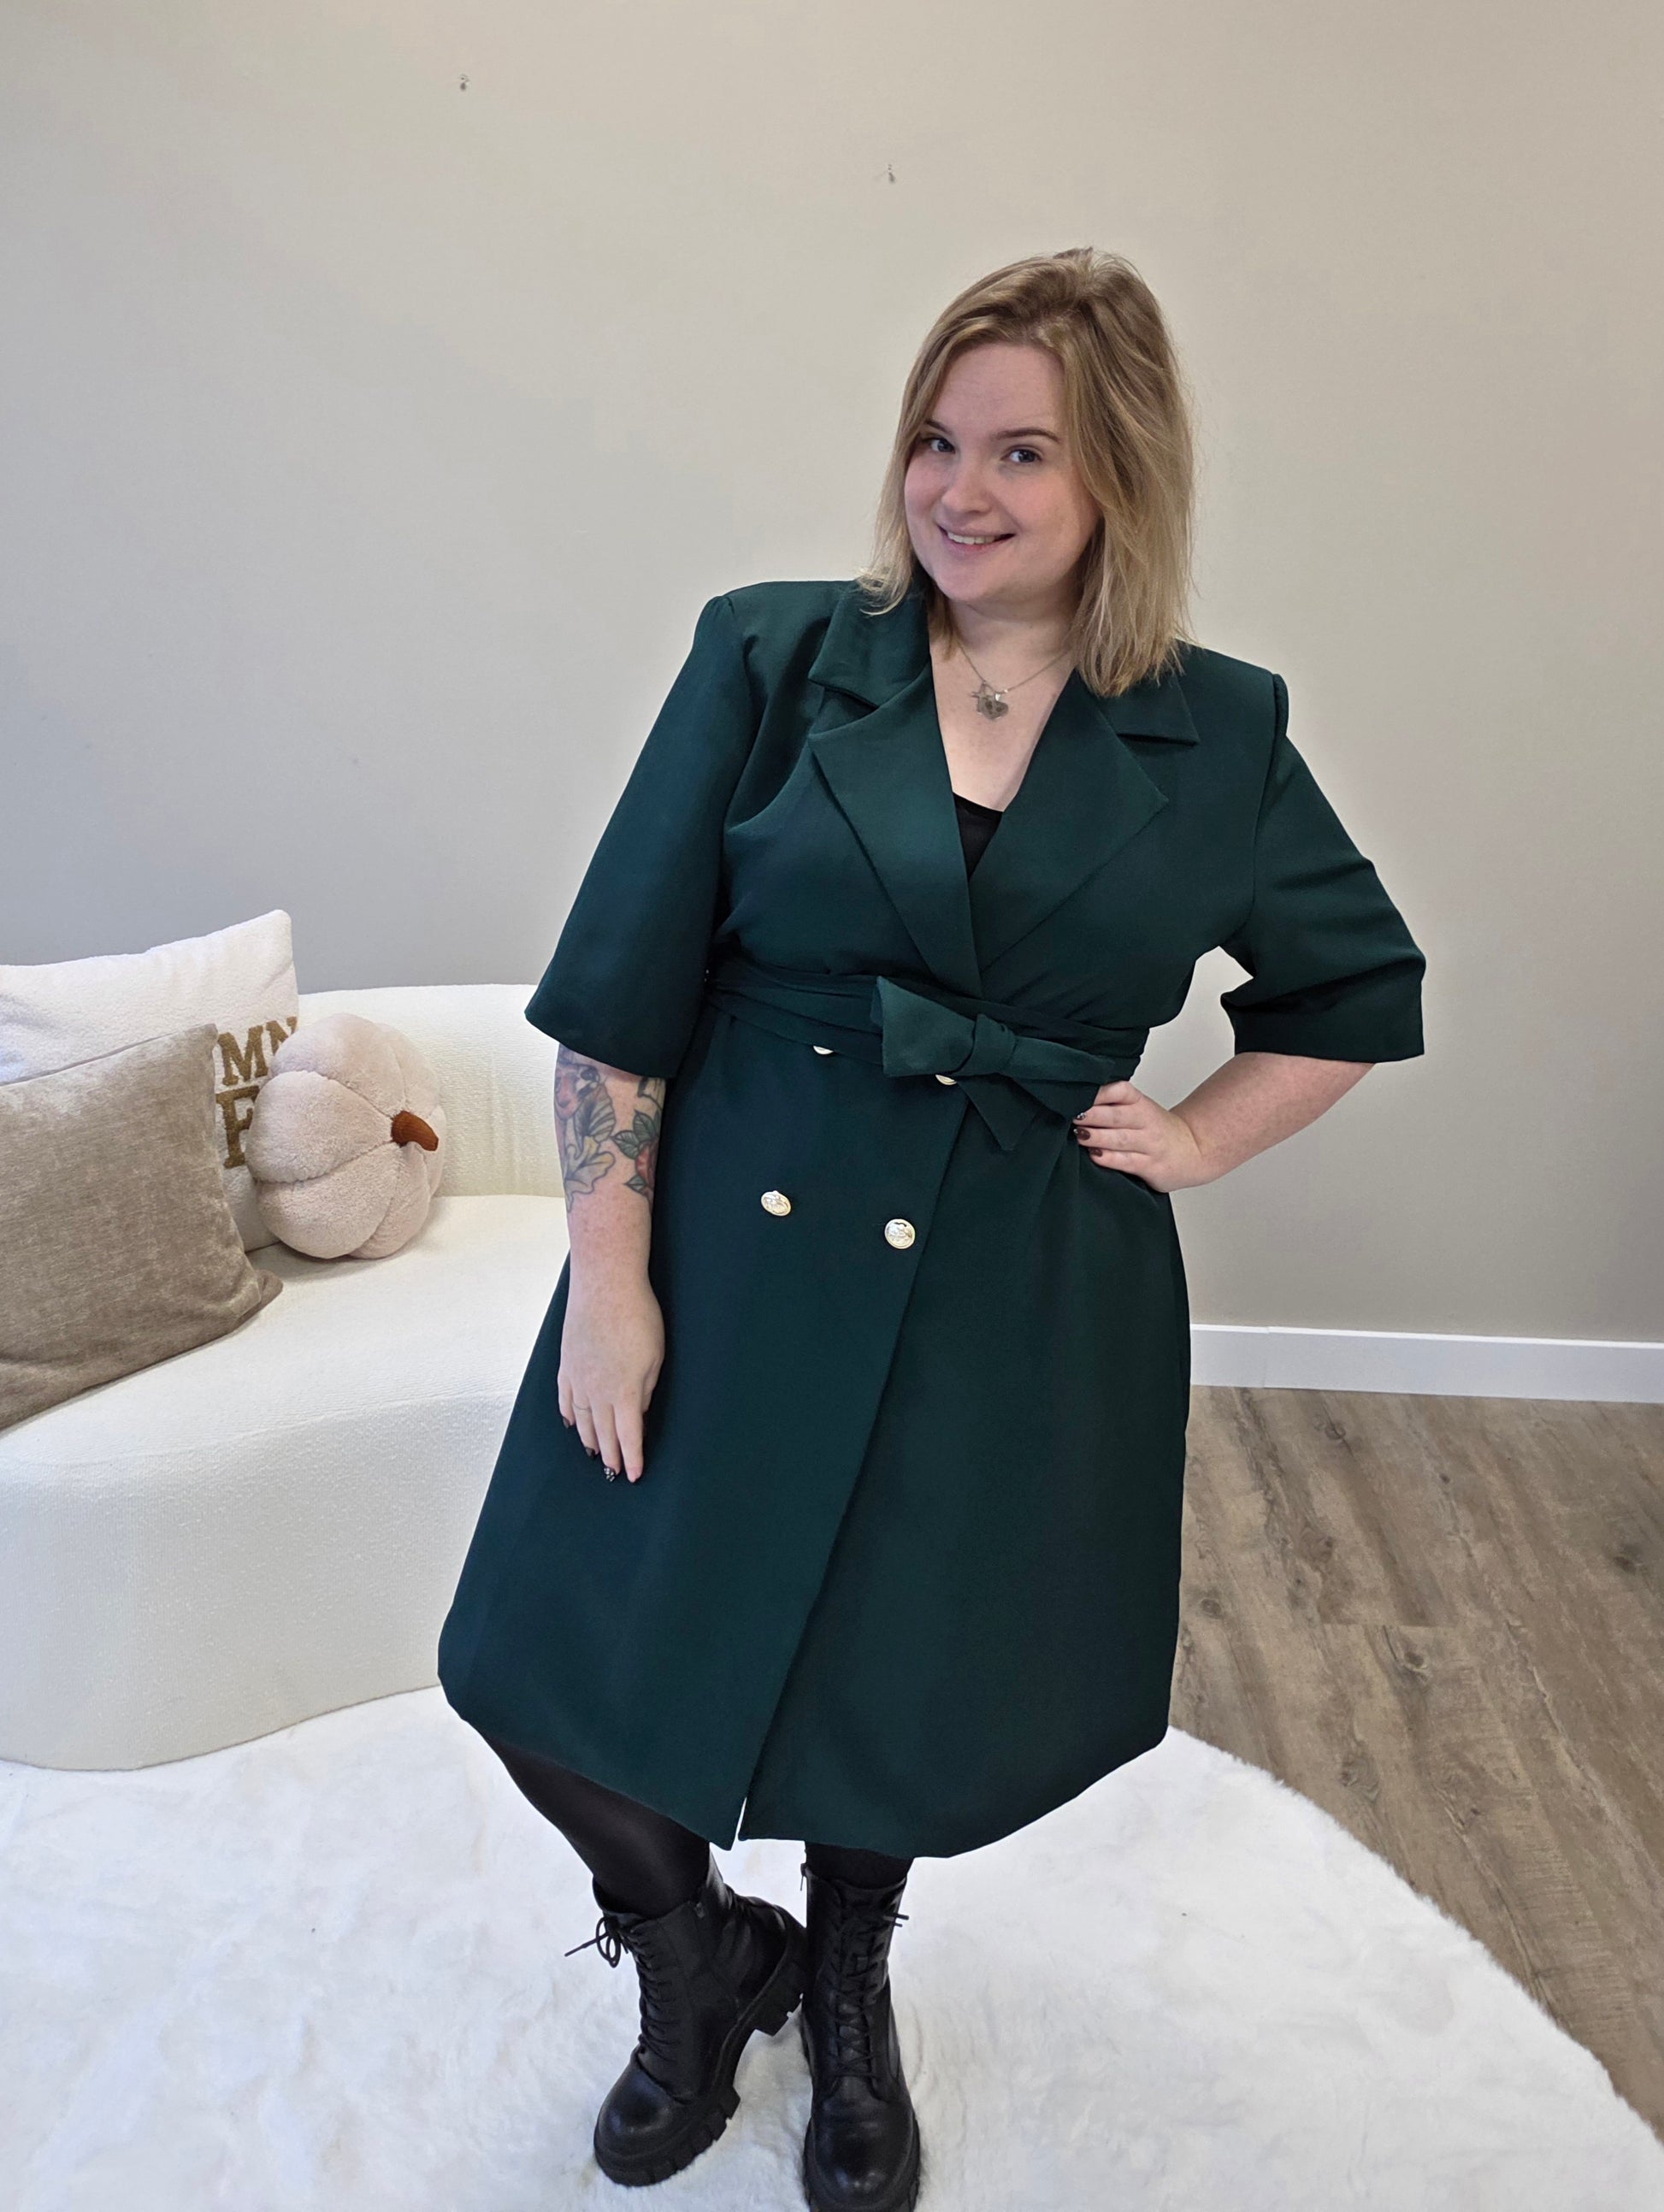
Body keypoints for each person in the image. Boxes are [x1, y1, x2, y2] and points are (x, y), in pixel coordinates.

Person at [437, 245, 1427, 2209]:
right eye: (935, 441)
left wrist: (1197, 1137)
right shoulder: (772, 657)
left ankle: (848, 1972)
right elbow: (621, 999)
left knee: (892, 1663)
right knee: (542, 1658)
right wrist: (609, 1283)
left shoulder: (1215, 732)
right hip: (733, 1244)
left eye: (1021, 451)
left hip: (1013, 1273)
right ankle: (696, 1954)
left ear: (1118, 476)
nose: (960, 489)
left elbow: (1355, 988)